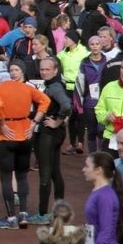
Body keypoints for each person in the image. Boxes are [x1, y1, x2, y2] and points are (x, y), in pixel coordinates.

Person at [0, 61, 51, 229]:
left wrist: (2, 123)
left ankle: (11, 218)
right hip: (25, 134)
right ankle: (23, 214)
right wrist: (34, 122)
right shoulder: (27, 88)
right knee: (22, 176)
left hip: (6, 136)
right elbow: (45, 101)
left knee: (6, 177)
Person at [33, 57, 72, 225]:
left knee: (45, 173)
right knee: (55, 171)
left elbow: (66, 105)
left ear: (56, 71)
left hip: (49, 133)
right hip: (56, 133)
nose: (44, 72)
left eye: (47, 69)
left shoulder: (54, 87)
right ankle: (60, 211)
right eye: (42, 69)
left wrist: (57, 121)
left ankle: (42, 213)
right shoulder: (54, 85)